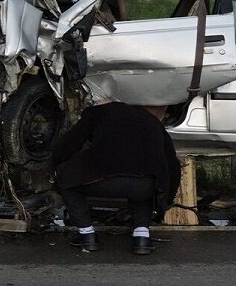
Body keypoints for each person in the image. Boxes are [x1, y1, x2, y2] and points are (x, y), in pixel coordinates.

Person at [52, 101, 181, 255]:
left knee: (66, 181)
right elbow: (172, 164)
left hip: (104, 178)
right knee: (144, 189)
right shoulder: (152, 121)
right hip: (144, 185)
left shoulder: (96, 112)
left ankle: (87, 236)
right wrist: (165, 201)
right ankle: (142, 239)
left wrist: (57, 166)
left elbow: (72, 143)